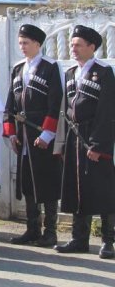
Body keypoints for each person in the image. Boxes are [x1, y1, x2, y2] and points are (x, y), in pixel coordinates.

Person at [55, 25, 115, 259]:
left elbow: (107, 111)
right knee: (76, 188)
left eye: (78, 45)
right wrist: (61, 142)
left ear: (92, 47)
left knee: (102, 190)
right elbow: (66, 108)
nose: (74, 49)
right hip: (74, 137)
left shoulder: (104, 72)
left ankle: (108, 240)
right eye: (72, 44)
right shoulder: (70, 73)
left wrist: (98, 144)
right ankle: (79, 238)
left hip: (94, 137)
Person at [3, 24, 63, 247]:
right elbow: (10, 102)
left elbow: (56, 102)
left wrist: (48, 133)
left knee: (46, 182)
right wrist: (10, 133)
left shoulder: (50, 67)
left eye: (26, 43)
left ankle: (50, 232)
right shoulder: (18, 68)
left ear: (38, 44)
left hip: (41, 133)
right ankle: (32, 229)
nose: (22, 47)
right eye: (20, 43)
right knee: (27, 183)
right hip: (23, 135)